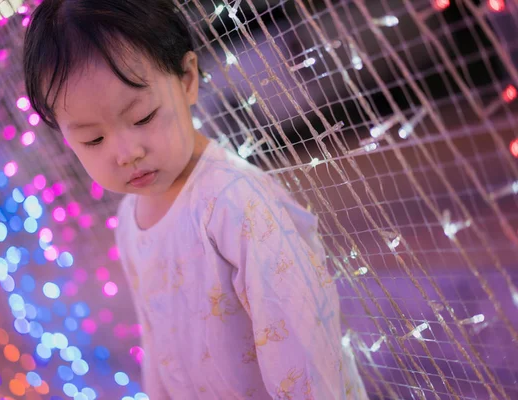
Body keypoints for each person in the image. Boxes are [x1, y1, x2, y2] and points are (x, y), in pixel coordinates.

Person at [23, 1, 368, 398]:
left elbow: (303, 350)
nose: (126, 152)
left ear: (187, 78)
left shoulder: (235, 202)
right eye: (93, 139)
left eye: (143, 117)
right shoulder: (131, 218)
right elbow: (158, 348)